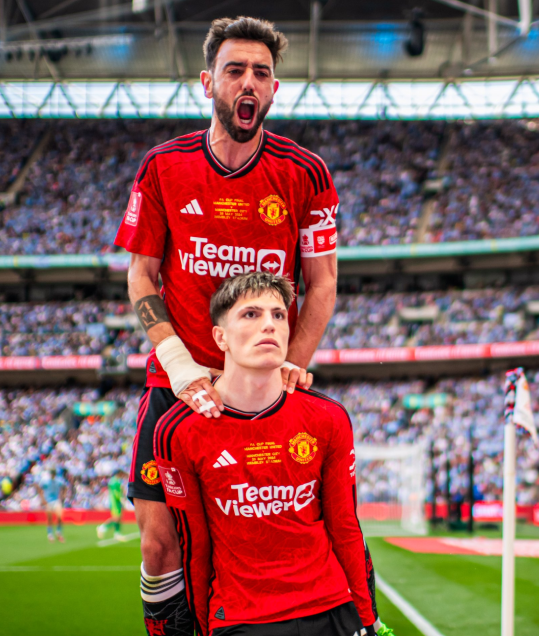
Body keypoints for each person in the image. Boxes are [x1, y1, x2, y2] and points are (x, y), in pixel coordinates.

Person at [113, 15, 340, 635]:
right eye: (236, 70)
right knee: (161, 549)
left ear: (274, 90)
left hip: (263, 390)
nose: (249, 82)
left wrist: (293, 359)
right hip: (177, 389)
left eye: (261, 73)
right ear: (208, 80)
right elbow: (141, 277)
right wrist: (182, 365)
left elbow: (321, 284)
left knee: (258, 551)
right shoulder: (163, 166)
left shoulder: (306, 174)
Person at [154, 272, 389, 635]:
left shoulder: (328, 417)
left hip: (331, 610)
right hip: (241, 619)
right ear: (221, 337)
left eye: (279, 315)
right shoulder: (180, 430)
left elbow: (345, 526)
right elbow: (193, 546)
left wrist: (367, 618)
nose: (270, 325)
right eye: (251, 314)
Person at [38, 468, 69, 543]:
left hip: (56, 500)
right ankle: (50, 534)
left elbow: (65, 487)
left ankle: (58, 532)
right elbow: (40, 488)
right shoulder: (45, 481)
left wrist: (63, 496)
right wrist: (42, 499)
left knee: (60, 516)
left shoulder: (58, 481)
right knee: (49, 519)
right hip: (48, 501)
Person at [97, 469, 129, 541]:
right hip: (115, 502)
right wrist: (122, 499)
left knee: (118, 518)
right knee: (116, 517)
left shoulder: (113, 481)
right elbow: (116, 493)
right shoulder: (115, 481)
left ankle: (117, 533)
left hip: (115, 501)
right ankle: (102, 528)